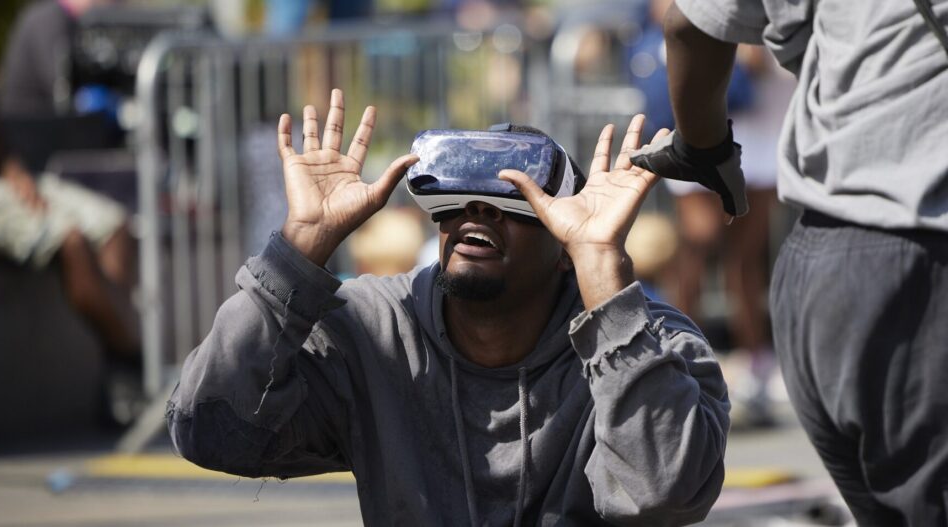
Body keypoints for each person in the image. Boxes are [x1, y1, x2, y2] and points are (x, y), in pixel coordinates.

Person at [166, 88, 729, 525]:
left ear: (565, 251)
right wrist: (296, 252)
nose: (476, 211)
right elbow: (208, 431)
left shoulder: (652, 343)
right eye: (456, 196)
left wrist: (603, 268)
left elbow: (663, 497)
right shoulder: (375, 327)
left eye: (515, 199)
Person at [631, 0, 948, 524]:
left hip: (823, 252)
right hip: (912, 248)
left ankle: (747, 363)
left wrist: (704, 149)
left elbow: (690, 22)